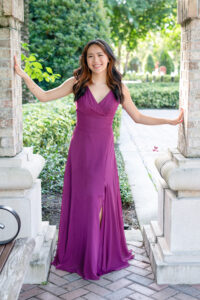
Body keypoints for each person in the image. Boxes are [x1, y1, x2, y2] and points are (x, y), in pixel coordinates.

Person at [14, 38, 184, 280]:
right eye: (90, 56)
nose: (95, 60)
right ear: (85, 59)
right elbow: (43, 96)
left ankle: (94, 258)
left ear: (109, 58)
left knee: (98, 201)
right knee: (85, 202)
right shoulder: (77, 83)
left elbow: (137, 117)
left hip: (103, 154)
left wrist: (168, 121)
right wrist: (22, 74)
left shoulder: (118, 87)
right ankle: (84, 254)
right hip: (81, 152)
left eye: (100, 55)